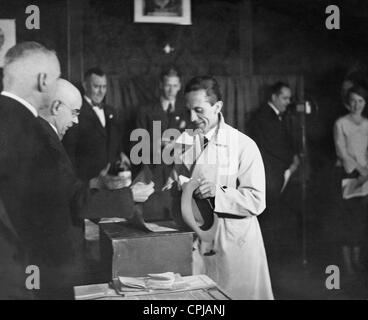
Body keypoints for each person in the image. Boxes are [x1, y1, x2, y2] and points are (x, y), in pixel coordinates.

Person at [170, 76, 273, 300]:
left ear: (218, 106)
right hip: (198, 239)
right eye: (188, 110)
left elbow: (257, 200)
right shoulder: (182, 143)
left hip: (234, 244)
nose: (192, 118)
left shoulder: (243, 145)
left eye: (199, 110)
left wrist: (219, 192)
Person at [247, 81, 300, 262]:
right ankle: (269, 260)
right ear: (274, 97)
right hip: (270, 175)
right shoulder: (264, 116)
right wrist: (292, 159)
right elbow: (273, 148)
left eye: (289, 98)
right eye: (284, 98)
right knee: (269, 219)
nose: (287, 102)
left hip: (275, 173)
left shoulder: (276, 116)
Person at [135, 66, 189, 221]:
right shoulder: (145, 110)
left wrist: (177, 145)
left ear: (179, 86)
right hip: (153, 173)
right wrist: (158, 144)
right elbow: (138, 144)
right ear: (160, 85)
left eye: (174, 85)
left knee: (177, 219)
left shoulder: (186, 111)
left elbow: (192, 143)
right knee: (154, 218)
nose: (171, 90)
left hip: (177, 174)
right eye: (167, 85)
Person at [62, 67, 128, 182]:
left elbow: (115, 140)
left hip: (111, 179)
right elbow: (69, 152)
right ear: (85, 85)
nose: (101, 91)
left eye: (104, 87)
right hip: (87, 182)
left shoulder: (110, 111)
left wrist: (121, 153)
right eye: (96, 86)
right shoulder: (76, 111)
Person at [333, 85, 368, 276]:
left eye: (361, 101)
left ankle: (357, 260)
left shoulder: (367, 123)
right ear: (348, 103)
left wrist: (366, 171)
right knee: (347, 219)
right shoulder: (341, 123)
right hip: (348, 175)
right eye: (353, 100)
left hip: (366, 176)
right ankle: (347, 266)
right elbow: (342, 151)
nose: (357, 105)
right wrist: (360, 170)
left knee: (361, 219)